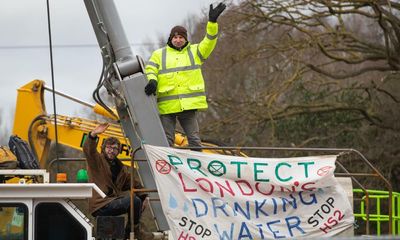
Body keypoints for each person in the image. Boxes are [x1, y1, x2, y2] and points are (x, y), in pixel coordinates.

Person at [144, 2, 226, 149]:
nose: (178, 40)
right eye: (175, 37)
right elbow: (150, 69)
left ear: (185, 39)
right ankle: (166, 171)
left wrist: (212, 23)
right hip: (166, 106)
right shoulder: (159, 54)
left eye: (181, 37)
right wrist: (152, 81)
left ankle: (197, 169)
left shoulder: (195, 52)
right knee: (166, 142)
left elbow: (209, 41)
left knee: (194, 141)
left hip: (188, 106)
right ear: (171, 39)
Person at [83, 122, 153, 240]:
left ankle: (131, 231)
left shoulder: (119, 168)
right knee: (134, 201)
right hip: (100, 204)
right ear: (103, 148)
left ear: (118, 151)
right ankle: (133, 230)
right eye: (109, 147)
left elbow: (131, 182)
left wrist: (144, 196)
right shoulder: (97, 161)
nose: (111, 151)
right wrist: (93, 134)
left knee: (137, 200)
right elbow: (88, 150)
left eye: (115, 148)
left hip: (111, 203)